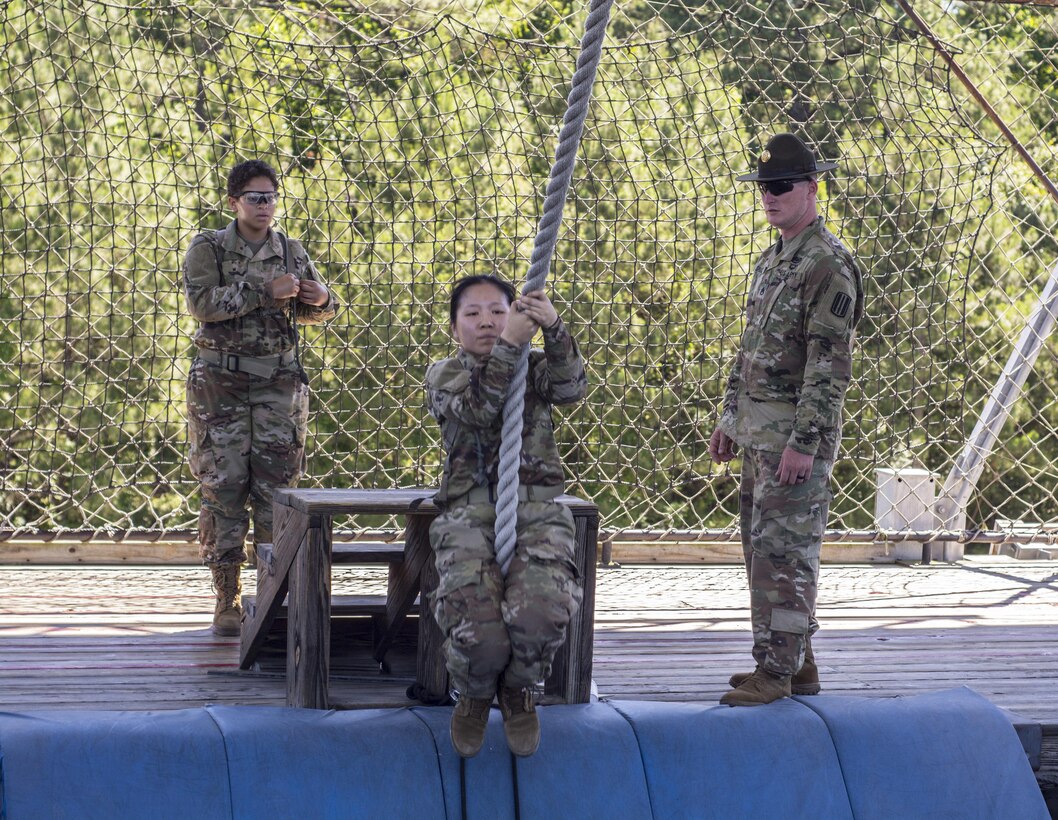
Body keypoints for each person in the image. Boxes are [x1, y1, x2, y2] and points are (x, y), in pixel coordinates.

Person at [709, 133, 864, 706]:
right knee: (763, 553)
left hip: (794, 440)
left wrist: (806, 442)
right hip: (758, 435)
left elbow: (829, 366)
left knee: (786, 554)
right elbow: (750, 350)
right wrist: (729, 416)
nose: (769, 198)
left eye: (780, 187)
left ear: (811, 190)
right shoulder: (774, 259)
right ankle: (798, 664)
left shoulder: (827, 266)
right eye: (763, 189)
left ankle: (775, 672)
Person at [425, 274, 587, 757]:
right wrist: (513, 343)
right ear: (455, 328)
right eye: (472, 314)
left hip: (536, 506)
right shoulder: (444, 375)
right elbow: (478, 407)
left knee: (542, 611)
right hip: (469, 510)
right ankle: (474, 694)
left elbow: (571, 385)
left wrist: (553, 328)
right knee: (478, 629)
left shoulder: (531, 369)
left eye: (498, 311)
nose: (487, 322)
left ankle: (519, 691)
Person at [184, 159, 337, 636]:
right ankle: (226, 598)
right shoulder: (208, 247)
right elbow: (201, 305)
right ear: (234, 202)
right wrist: (262, 291)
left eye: (270, 197)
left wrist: (321, 299)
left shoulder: (290, 251)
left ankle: (272, 594)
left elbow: (319, 314)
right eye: (255, 197)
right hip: (220, 387)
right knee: (223, 487)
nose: (265, 205)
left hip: (278, 386)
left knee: (278, 493)